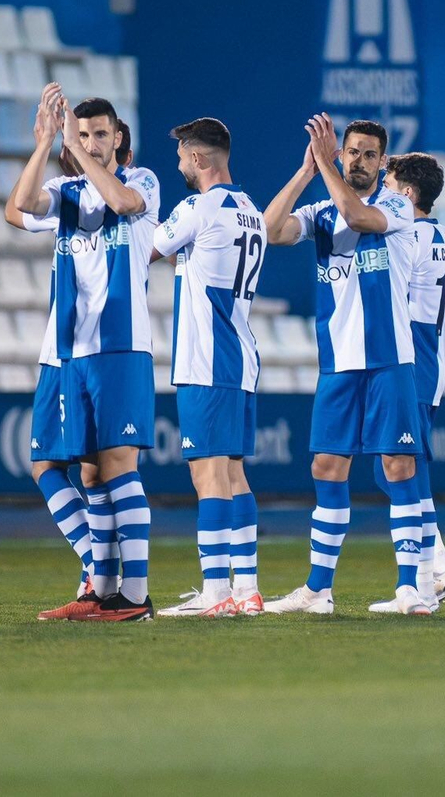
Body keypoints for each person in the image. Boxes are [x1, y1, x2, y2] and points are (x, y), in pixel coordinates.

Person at [261, 116, 427, 615]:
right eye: (350, 152)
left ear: (382, 161)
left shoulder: (395, 205)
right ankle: (318, 589)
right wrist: (305, 173)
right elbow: (269, 230)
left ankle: (412, 588)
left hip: (388, 359)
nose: (357, 160)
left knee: (397, 466)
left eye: (367, 154)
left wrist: (330, 166)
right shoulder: (320, 212)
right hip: (338, 361)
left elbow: (358, 218)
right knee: (326, 466)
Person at [8, 86, 162, 622]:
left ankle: (135, 596)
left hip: (118, 344)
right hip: (69, 347)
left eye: (101, 134)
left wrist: (80, 151)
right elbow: (18, 207)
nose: (91, 142)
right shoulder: (66, 189)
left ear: (119, 139)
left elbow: (122, 204)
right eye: (86, 133)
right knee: (76, 470)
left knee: (117, 467)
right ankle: (100, 586)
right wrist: (47, 143)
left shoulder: (142, 180)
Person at [152, 117, 266, 619]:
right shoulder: (250, 210)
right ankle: (248, 588)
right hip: (241, 354)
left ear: (198, 158)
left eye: (182, 154)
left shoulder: (198, 207)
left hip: (206, 358)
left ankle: (216, 590)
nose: (178, 162)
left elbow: (148, 249)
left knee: (208, 477)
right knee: (235, 474)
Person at [370, 151, 445, 612]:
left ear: (408, 194)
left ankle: (439, 568)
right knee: (397, 467)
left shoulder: (409, 234)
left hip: (413, 355)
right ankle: (435, 569)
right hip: (434, 352)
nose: (383, 190)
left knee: (404, 468)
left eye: (388, 182)